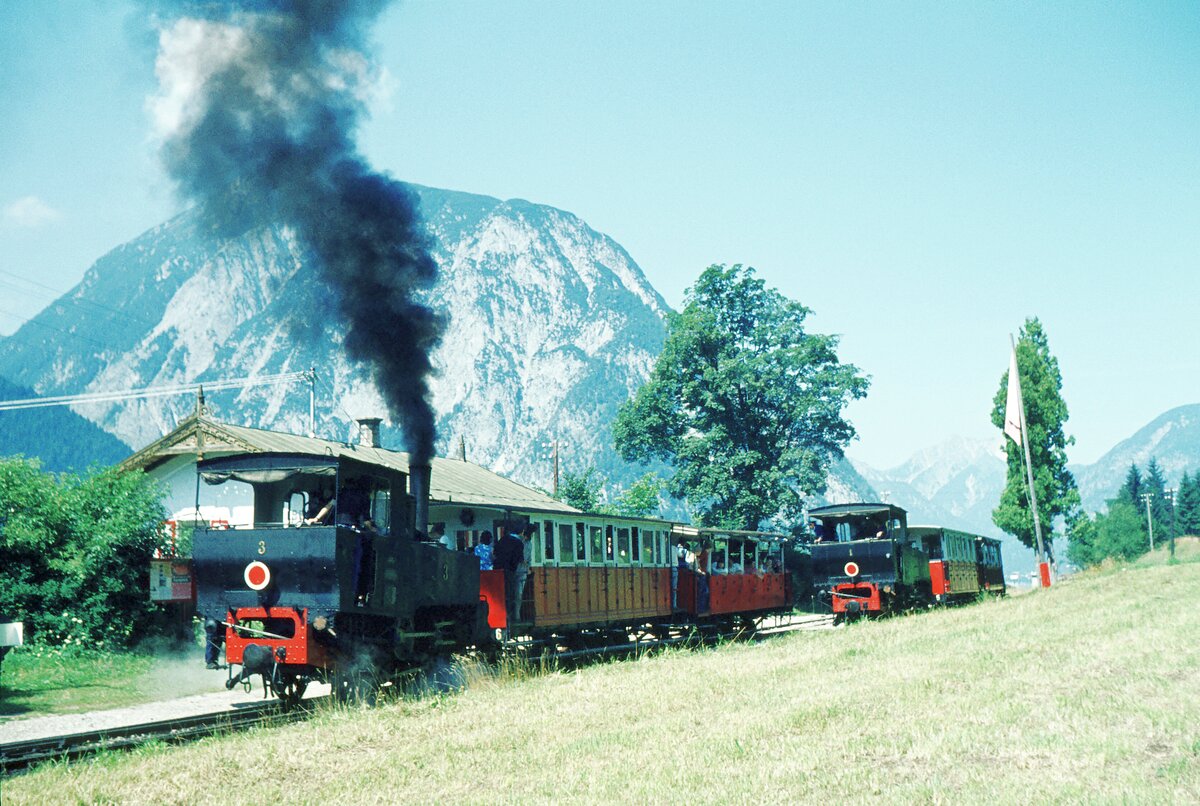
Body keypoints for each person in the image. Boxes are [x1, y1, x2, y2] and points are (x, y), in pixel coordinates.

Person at [494, 529, 524, 626]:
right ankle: (509, 616)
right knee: (510, 593)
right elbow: (519, 559)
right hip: (510, 571)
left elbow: (495, 553)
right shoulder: (519, 543)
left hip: (497, 570)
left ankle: (500, 614)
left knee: (499, 593)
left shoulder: (502, 540)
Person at [514, 524, 535, 621]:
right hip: (514, 570)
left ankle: (517, 614)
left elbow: (528, 557)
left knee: (519, 593)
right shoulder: (518, 541)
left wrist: (528, 566)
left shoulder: (529, 544)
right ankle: (515, 614)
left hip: (523, 571)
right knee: (514, 593)